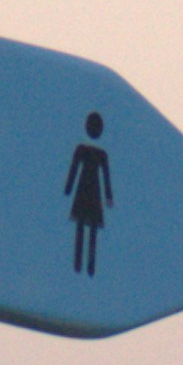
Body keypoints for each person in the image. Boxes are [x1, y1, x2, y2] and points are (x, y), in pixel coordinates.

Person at [60, 111, 115, 274]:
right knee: (82, 226)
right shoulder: (82, 150)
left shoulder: (100, 154)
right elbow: (74, 169)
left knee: (90, 229)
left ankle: (89, 266)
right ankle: (78, 264)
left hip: (91, 189)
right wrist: (68, 189)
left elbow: (106, 176)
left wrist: (108, 196)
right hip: (85, 188)